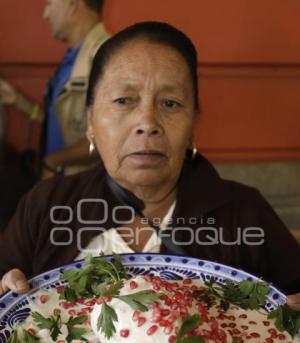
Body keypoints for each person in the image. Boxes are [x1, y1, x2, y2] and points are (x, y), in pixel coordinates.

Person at [0, 21, 299, 312]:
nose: (147, 123)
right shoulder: (46, 207)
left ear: (193, 123)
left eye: (170, 103)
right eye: (123, 100)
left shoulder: (246, 215)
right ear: (91, 121)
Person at [0, 0, 110, 177]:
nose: (45, 14)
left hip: (80, 191)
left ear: (73, 4)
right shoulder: (71, 59)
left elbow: (109, 137)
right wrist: (17, 100)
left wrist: (54, 161)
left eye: (49, 3)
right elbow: (65, 125)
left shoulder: (108, 56)